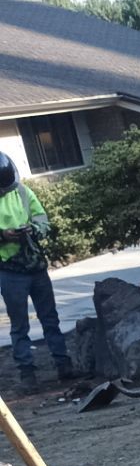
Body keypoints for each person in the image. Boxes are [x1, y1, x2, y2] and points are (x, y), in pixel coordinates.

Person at [0, 154, 74, 392]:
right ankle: (27, 373)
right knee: (19, 324)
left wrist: (34, 229)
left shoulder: (22, 192)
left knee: (50, 318)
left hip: (35, 266)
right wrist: (3, 236)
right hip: (10, 270)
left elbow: (42, 219)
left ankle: (64, 365)